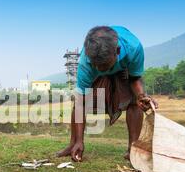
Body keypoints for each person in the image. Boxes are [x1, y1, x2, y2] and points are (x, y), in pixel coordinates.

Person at [57, 26, 157, 162]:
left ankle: (133, 149)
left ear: (117, 51)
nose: (100, 68)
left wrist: (141, 96)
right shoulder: (86, 62)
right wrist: (80, 141)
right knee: (78, 102)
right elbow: (81, 103)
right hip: (97, 74)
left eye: (103, 65)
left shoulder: (134, 48)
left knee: (134, 102)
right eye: (96, 65)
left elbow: (135, 77)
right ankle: (74, 143)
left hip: (123, 69)